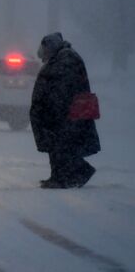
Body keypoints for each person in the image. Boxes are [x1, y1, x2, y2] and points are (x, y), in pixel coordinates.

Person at [30, 32, 101, 189]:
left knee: (61, 145)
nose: (44, 56)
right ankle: (58, 176)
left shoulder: (67, 59)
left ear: (51, 47)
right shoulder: (62, 58)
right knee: (56, 143)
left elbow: (62, 88)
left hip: (67, 112)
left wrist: (54, 108)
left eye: (45, 51)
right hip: (62, 111)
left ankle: (77, 173)